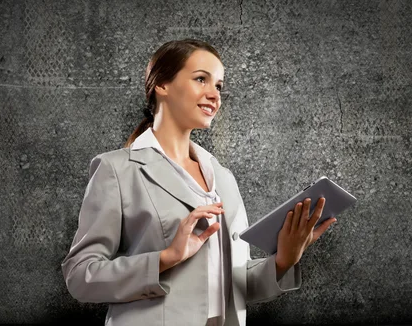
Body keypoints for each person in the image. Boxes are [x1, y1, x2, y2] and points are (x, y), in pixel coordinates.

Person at [61, 38, 337, 326]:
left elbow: (232, 286)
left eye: (218, 86)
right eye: (201, 79)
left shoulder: (223, 178)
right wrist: (165, 258)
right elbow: (80, 276)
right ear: (162, 85)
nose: (214, 95)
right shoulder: (117, 169)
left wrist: (284, 259)